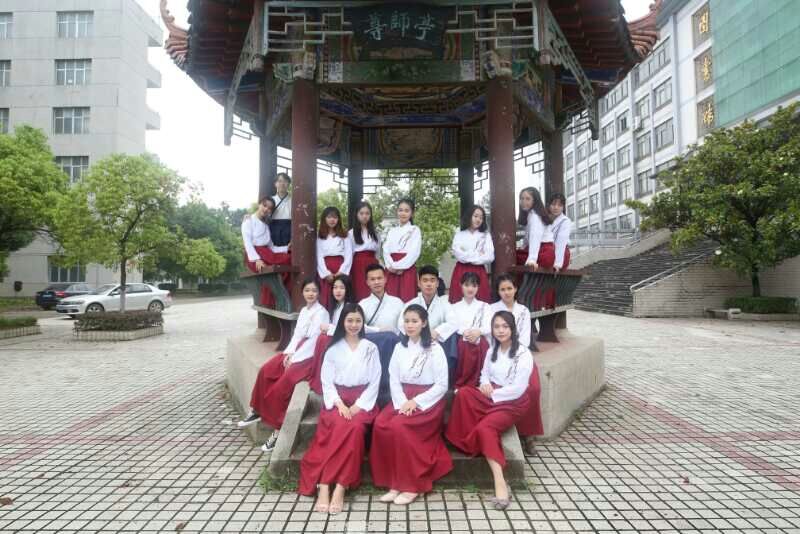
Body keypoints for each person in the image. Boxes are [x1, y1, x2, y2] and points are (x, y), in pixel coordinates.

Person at [445, 311, 533, 510]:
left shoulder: (523, 354)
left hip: (512, 401)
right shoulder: (493, 349)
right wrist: (484, 385)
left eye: (505, 326)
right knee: (464, 394)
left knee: (485, 428)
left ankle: (500, 481)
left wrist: (492, 394)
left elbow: (519, 388)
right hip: (491, 394)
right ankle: (469, 442)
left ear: (512, 329)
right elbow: (484, 374)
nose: (500, 330)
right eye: (496, 327)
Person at [298, 304, 382, 515]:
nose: (354, 325)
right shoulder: (333, 349)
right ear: (342, 322)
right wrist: (339, 404)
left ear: (363, 323)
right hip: (338, 400)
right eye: (349, 320)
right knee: (339, 424)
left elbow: (375, 381)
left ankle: (340, 486)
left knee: (354, 428)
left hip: (362, 401)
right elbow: (327, 382)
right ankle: (325, 485)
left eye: (358, 321)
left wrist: (358, 406)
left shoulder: (371, 348)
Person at [370, 305, 452, 505]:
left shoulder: (435, 349)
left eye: (414, 321)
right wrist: (401, 403)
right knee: (381, 424)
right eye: (407, 321)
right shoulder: (400, 347)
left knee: (399, 426)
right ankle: (393, 482)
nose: (410, 325)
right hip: (403, 398)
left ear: (424, 323)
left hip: (427, 401)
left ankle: (411, 484)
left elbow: (442, 385)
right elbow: (394, 378)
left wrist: (416, 402)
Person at [237, 278, 326, 452]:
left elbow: (313, 341)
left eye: (314, 291)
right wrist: (288, 353)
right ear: (303, 292)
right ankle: (256, 410)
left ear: (319, 293)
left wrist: (295, 358)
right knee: (266, 370)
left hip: (308, 357)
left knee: (283, 386)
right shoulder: (304, 311)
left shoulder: (321, 313)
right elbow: (297, 335)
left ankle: (278, 430)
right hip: (295, 351)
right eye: (307, 290)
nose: (310, 294)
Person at [358, 264, 404, 403]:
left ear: (385, 279)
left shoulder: (397, 302)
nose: (376, 282)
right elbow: (358, 327)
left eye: (379, 278)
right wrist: (379, 331)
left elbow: (404, 326)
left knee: (390, 338)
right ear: (367, 282)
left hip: (393, 347)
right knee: (386, 337)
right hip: (371, 350)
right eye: (372, 279)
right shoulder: (362, 304)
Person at [443, 272, 491, 388]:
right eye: (467, 285)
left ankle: (478, 381)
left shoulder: (485, 306)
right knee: (462, 345)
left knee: (481, 344)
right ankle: (461, 382)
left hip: (480, 341)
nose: (470, 289)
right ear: (461, 285)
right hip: (461, 341)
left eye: (474, 286)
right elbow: (452, 324)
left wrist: (478, 332)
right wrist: (464, 332)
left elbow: (489, 325)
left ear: (478, 287)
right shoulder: (453, 307)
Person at [241, 196, 291, 307]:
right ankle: (270, 299)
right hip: (255, 255)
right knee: (274, 268)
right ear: (259, 204)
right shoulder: (248, 221)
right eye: (264, 205)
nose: (266, 209)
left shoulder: (266, 225)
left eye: (269, 208)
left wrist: (286, 248)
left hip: (267, 253)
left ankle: (276, 296)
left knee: (288, 258)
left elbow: (272, 247)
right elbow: (247, 243)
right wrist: (256, 260)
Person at [310, 274, 355, 394]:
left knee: (323, 339)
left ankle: (321, 381)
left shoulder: (351, 307)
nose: (338, 291)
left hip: (347, 342)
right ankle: (318, 377)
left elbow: (350, 329)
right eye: (335, 287)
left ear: (348, 289)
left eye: (342, 288)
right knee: (321, 338)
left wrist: (329, 328)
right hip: (338, 340)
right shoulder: (335, 307)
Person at [516, 187, 554, 310]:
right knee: (517, 255)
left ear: (535, 200)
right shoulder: (531, 215)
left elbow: (535, 238)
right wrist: (523, 248)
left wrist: (532, 259)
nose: (524, 201)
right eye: (522, 198)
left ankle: (521, 297)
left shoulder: (535, 217)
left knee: (513, 257)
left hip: (543, 251)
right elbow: (528, 239)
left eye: (527, 199)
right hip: (544, 250)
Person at [449, 205, 494, 303]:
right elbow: (458, 254)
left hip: (479, 271)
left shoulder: (486, 235)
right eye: (476, 216)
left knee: (481, 301)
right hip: (461, 270)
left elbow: (490, 256)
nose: (478, 219)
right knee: (459, 301)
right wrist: (477, 254)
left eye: (481, 217)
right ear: (469, 216)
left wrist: (467, 254)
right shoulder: (459, 234)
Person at [396, 265, 451, 341]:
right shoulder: (411, 304)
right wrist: (422, 334)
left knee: (452, 335)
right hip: (415, 340)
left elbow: (453, 322)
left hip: (437, 340)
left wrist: (437, 332)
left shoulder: (445, 304)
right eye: (425, 280)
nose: (429, 284)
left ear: (437, 283)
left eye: (432, 280)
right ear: (419, 283)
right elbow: (401, 324)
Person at [383, 198, 421, 302]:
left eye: (406, 210)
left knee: (407, 300)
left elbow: (414, 252)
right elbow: (385, 249)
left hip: (407, 269)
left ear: (412, 213)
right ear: (397, 211)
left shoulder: (415, 230)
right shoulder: (392, 231)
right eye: (400, 210)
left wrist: (399, 266)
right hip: (391, 270)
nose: (403, 213)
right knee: (390, 300)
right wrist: (390, 266)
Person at [317, 207, 353, 309]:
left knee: (341, 293)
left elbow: (349, 254)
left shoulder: (344, 235)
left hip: (340, 267)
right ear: (324, 219)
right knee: (326, 297)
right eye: (329, 217)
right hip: (326, 269)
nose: (332, 220)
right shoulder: (320, 236)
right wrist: (326, 273)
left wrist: (341, 271)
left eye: (335, 217)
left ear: (338, 219)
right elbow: (319, 256)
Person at [348, 201, 380, 301]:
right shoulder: (351, 233)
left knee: (373, 290)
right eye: (361, 213)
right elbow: (349, 254)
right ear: (357, 215)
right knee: (360, 291)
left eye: (367, 213)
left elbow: (378, 253)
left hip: (373, 263)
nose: (364, 216)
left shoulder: (375, 233)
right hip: (357, 265)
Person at [548, 193, 572, 272]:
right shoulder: (545, 219)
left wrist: (557, 263)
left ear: (563, 207)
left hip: (561, 255)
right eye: (553, 204)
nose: (556, 207)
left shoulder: (565, 221)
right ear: (549, 205)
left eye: (559, 205)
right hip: (549, 252)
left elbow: (561, 242)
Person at [270, 172, 292, 247]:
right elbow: (262, 214)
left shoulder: (294, 201)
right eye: (279, 181)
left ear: (288, 184)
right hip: (273, 230)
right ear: (275, 184)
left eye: (285, 181)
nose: (282, 184)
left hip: (289, 230)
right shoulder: (271, 200)